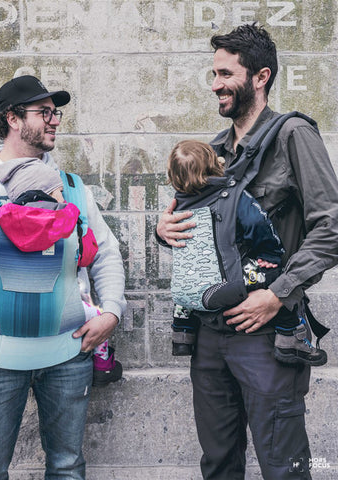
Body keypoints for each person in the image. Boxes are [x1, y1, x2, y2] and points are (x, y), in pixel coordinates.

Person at [156, 24, 338, 479]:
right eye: (212, 74)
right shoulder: (212, 153)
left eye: (225, 73)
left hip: (267, 334)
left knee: (284, 466)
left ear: (261, 76)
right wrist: (164, 229)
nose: (215, 84)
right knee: (218, 463)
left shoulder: (292, 135)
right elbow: (189, 229)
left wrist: (278, 292)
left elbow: (331, 226)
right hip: (210, 337)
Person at [0, 75, 126, 479]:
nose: (55, 121)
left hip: (67, 351)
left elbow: (105, 254)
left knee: (68, 466)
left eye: (57, 113)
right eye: (45, 113)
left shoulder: (71, 188)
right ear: (12, 118)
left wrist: (112, 314)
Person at [0, 157, 123, 387]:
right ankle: (103, 362)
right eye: (58, 191)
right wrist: (110, 313)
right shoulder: (69, 221)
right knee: (97, 316)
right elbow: (89, 256)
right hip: (63, 320)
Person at [167, 139, 326, 366]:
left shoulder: (177, 203)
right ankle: (290, 335)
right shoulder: (233, 195)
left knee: (188, 285)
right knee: (278, 277)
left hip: (189, 292)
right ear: (214, 164)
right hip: (224, 285)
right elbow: (257, 224)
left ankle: (182, 332)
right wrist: (270, 255)